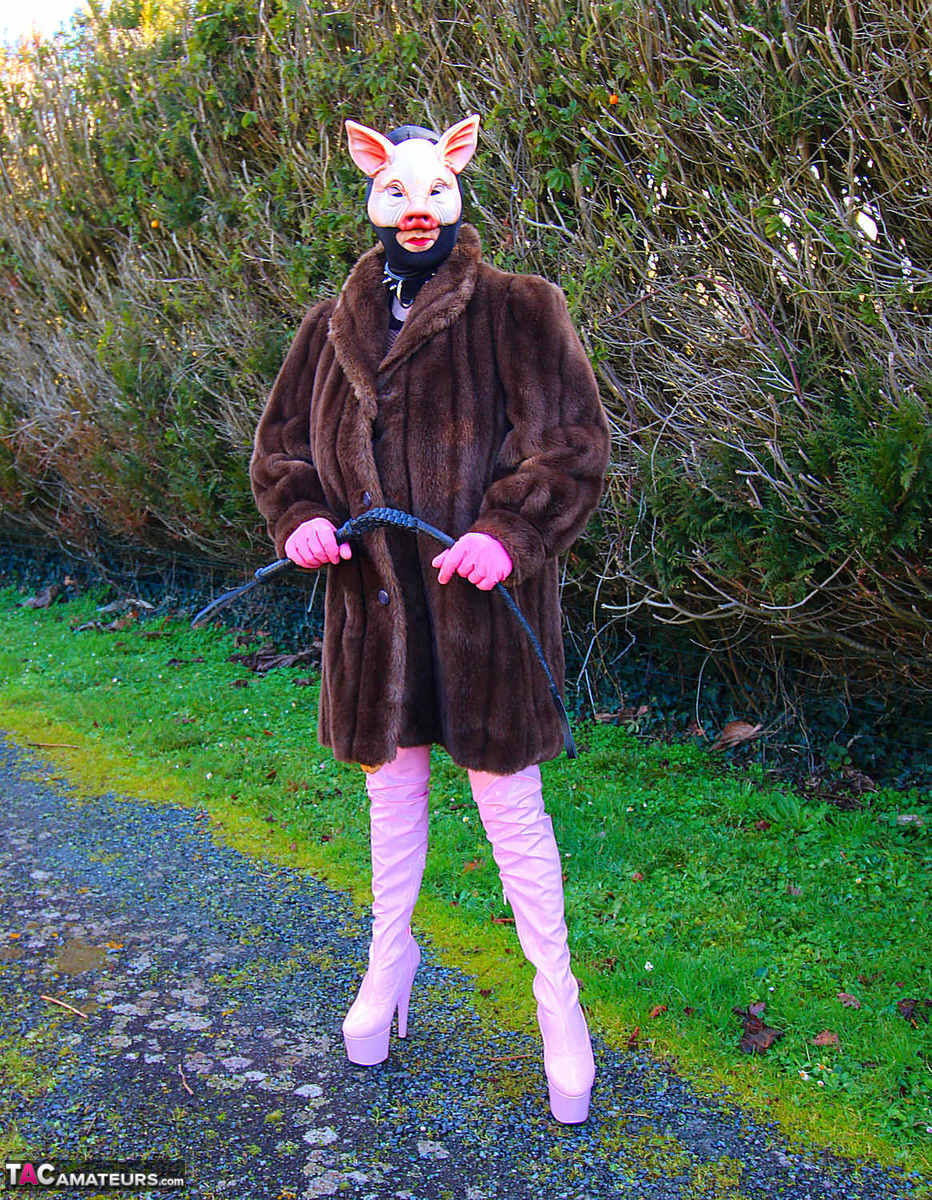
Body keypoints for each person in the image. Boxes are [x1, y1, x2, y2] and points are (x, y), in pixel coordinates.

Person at [249, 113, 611, 1123]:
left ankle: (557, 1002)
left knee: (511, 811)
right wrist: (301, 517)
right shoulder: (328, 327)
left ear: (459, 185)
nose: (416, 209)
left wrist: (508, 530)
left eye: (434, 189)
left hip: (481, 612)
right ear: (370, 192)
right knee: (392, 797)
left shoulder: (521, 308)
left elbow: (570, 445)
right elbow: (279, 451)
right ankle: (389, 960)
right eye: (395, 190)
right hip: (374, 612)